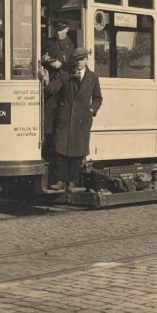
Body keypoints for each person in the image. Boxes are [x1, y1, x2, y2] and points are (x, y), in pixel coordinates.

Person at [41, 47, 102, 191]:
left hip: (82, 120)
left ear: (87, 59)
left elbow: (98, 98)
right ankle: (61, 181)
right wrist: (45, 81)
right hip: (65, 117)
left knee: (77, 151)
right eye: (76, 60)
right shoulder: (64, 74)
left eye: (82, 59)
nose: (79, 62)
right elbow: (52, 89)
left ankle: (73, 182)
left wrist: (91, 110)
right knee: (61, 150)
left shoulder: (93, 77)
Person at [41, 18, 75, 188]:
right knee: (47, 125)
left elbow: (72, 66)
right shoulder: (50, 43)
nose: (58, 32)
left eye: (61, 30)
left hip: (61, 88)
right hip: (49, 84)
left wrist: (61, 64)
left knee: (56, 127)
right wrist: (44, 58)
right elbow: (42, 57)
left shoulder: (70, 45)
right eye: (56, 29)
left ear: (67, 29)